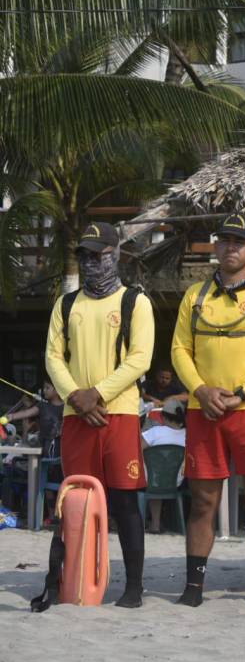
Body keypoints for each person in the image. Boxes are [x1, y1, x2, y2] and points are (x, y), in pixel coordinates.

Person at [171, 214, 245, 608]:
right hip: (202, 409)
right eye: (223, 240)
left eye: (238, 242)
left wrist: (242, 393)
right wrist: (201, 390)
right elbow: (179, 350)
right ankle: (193, 587)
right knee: (203, 500)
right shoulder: (195, 295)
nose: (229, 248)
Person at [42, 221, 154, 609]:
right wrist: (75, 396)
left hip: (117, 415)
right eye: (85, 256)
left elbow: (140, 359)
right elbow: (53, 357)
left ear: (116, 254)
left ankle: (134, 587)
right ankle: (71, 580)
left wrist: (98, 394)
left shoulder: (134, 301)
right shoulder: (66, 303)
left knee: (125, 503)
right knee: (75, 500)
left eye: (99, 255)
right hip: (76, 416)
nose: (92, 263)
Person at [140, 398, 187, 533]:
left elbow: (135, 449)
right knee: (160, 476)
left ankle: (154, 523)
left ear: (163, 416)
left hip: (152, 481)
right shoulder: (188, 435)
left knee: (154, 477)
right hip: (178, 481)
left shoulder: (155, 432)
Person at [4, 381, 64, 456]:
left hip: (58, 446)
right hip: (43, 444)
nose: (44, 390)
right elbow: (27, 413)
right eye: (44, 387)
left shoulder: (66, 408)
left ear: (57, 390)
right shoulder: (42, 405)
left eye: (47, 388)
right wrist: (12, 416)